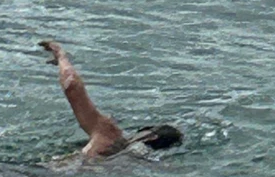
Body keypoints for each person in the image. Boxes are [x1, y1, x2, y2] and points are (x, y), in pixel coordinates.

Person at [38, 41, 183, 162]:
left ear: (150, 136)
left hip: (44, 175)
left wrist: (62, 57)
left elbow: (72, 86)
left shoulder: (109, 135)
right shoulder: (136, 163)